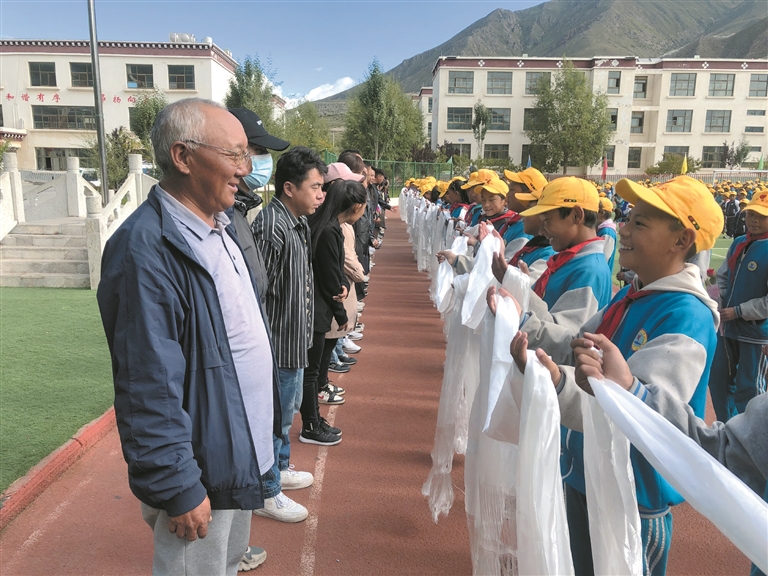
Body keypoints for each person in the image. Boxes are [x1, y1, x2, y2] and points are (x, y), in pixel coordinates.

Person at [97, 98, 280, 575]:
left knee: (228, 562)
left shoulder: (223, 224)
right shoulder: (144, 250)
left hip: (237, 450)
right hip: (202, 466)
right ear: (183, 156)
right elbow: (147, 382)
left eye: (247, 155)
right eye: (234, 154)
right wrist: (177, 484)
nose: (246, 168)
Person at [509, 175, 724, 576]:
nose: (622, 229)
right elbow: (577, 342)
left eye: (640, 223)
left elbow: (638, 415)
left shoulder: (686, 316)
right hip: (588, 470)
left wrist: (558, 383)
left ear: (682, 240)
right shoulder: (633, 294)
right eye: (629, 218)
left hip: (632, 494)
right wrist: (525, 323)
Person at [573, 335, 768, 576]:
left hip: (641, 499)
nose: (766, 350)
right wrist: (629, 389)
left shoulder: (688, 318)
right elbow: (723, 453)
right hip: (590, 477)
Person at [251, 147, 328, 523]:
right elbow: (256, 293)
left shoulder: (297, 223)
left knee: (286, 415)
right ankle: (265, 491)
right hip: (277, 347)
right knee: (271, 420)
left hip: (294, 343)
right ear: (288, 188)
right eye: (315, 187)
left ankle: (279, 469)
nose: (321, 195)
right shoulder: (271, 227)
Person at [709, 192, 768, 422]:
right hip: (727, 327)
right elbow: (724, 276)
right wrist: (718, 297)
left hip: (756, 333)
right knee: (719, 381)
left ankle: (754, 436)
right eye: (751, 214)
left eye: (761, 216)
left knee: (750, 387)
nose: (754, 220)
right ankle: (728, 430)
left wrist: (739, 311)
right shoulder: (739, 242)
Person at [596, 196, 618, 274]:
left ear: (601, 213)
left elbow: (603, 259)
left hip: (600, 275)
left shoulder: (607, 232)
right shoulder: (602, 229)